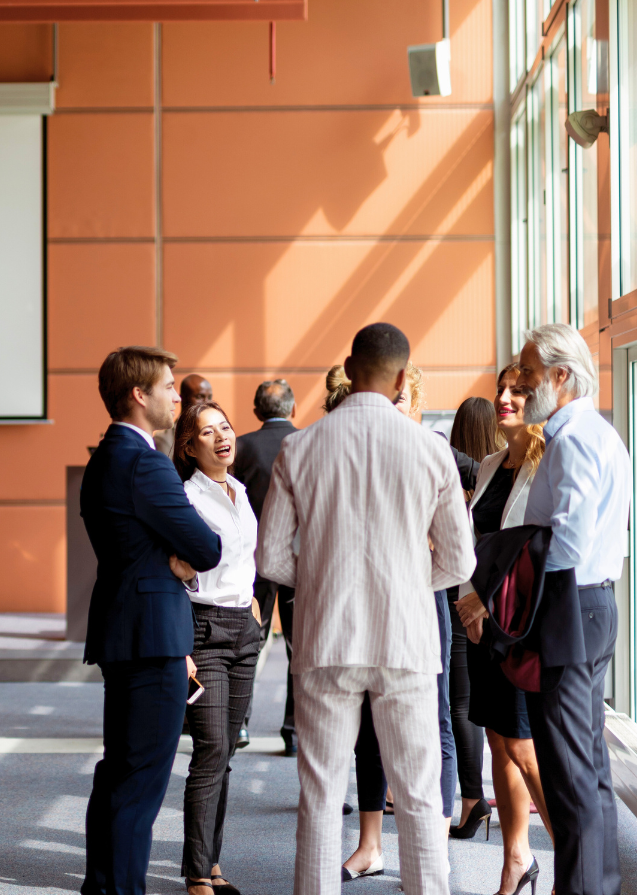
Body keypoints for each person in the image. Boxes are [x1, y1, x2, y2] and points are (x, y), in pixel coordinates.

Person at [257, 325, 475, 895]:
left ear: (350, 370)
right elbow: (459, 560)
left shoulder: (300, 447)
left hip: (326, 638)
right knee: (420, 793)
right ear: (403, 378)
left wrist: (325, 581)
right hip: (407, 639)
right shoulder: (430, 449)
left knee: (321, 793)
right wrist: (407, 584)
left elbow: (272, 558)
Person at [80, 346, 222, 895]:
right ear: (139, 395)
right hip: (151, 636)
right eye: (167, 387)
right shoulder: (145, 461)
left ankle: (103, 887)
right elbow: (206, 547)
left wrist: (170, 553)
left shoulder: (106, 455)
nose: (175, 398)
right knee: (138, 782)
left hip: (125, 629)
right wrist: (178, 555)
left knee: (120, 772)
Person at [503, 325, 628, 895]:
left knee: (568, 773)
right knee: (590, 767)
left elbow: (569, 543)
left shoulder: (573, 439)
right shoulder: (597, 432)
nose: (521, 383)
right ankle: (598, 886)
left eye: (529, 373)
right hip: (593, 605)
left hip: (570, 607)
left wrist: (515, 571)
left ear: (560, 375)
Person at [340, 361, 459, 881]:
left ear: (415, 403)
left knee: (433, 721)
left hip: (422, 600)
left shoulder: (432, 451)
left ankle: (433, 848)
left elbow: (456, 545)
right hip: (367, 601)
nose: (392, 407)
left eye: (402, 399)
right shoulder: (356, 451)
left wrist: (420, 575)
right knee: (369, 723)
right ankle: (370, 846)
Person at [453, 365, 553, 895]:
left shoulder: (548, 464)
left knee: (524, 748)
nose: (504, 398)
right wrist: (469, 602)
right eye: (501, 389)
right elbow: (475, 545)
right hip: (480, 625)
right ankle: (517, 859)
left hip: (519, 628)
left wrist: (490, 607)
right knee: (497, 741)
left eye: (518, 391)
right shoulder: (492, 464)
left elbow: (541, 553)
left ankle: (574, 867)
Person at [174, 400, 261, 895]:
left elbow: (243, 559)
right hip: (203, 631)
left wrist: (252, 605)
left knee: (225, 752)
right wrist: (182, 645)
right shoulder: (186, 497)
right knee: (209, 752)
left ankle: (211, 863)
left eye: (225, 427)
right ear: (189, 448)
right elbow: (176, 571)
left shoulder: (239, 491)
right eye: (208, 433)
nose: (222, 436)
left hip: (244, 630)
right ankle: (195, 872)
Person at [230, 379, 296, 754]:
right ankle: (295, 733)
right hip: (300, 559)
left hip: (253, 561)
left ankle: (239, 724)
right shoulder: (307, 443)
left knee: (250, 642)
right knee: (298, 648)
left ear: (257, 411)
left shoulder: (241, 447)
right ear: (293, 408)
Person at [446, 396, 499, 839]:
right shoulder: (499, 475)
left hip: (459, 595)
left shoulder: (454, 476)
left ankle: (472, 799)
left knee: (459, 702)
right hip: (497, 597)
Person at [154, 373, 212, 457]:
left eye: (209, 397)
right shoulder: (163, 439)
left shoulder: (218, 434)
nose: (206, 403)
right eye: (199, 397)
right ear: (182, 398)